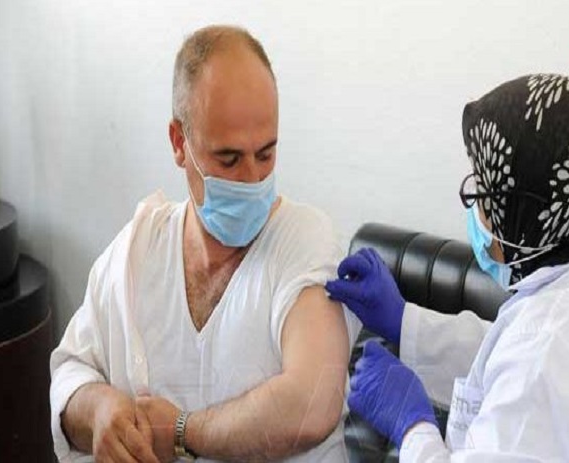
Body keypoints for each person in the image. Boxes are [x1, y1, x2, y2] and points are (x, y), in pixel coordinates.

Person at [326, 74, 569, 461]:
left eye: (483, 194)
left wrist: (411, 425)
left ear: (524, 211)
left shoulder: (547, 350)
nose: (476, 212)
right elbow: (510, 356)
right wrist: (404, 322)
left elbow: (535, 366)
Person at [50, 25, 360, 463]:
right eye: (229, 159)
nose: (252, 179)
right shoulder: (137, 250)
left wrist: (182, 431)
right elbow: (71, 371)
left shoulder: (305, 240)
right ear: (180, 143)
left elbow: (312, 404)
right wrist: (99, 410)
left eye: (266, 154)